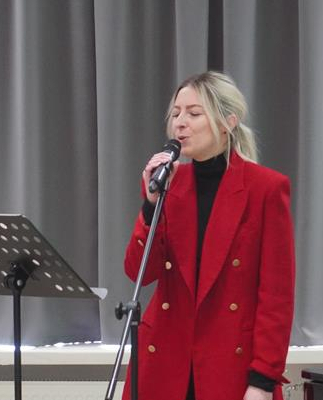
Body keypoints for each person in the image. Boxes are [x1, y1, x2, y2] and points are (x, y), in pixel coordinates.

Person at [122, 71, 295, 400]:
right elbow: (139, 272)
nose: (180, 123)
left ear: (228, 122)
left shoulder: (265, 188)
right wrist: (150, 205)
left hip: (229, 364)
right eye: (176, 113)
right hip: (164, 360)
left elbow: (276, 297)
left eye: (194, 113)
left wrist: (262, 381)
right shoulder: (169, 184)